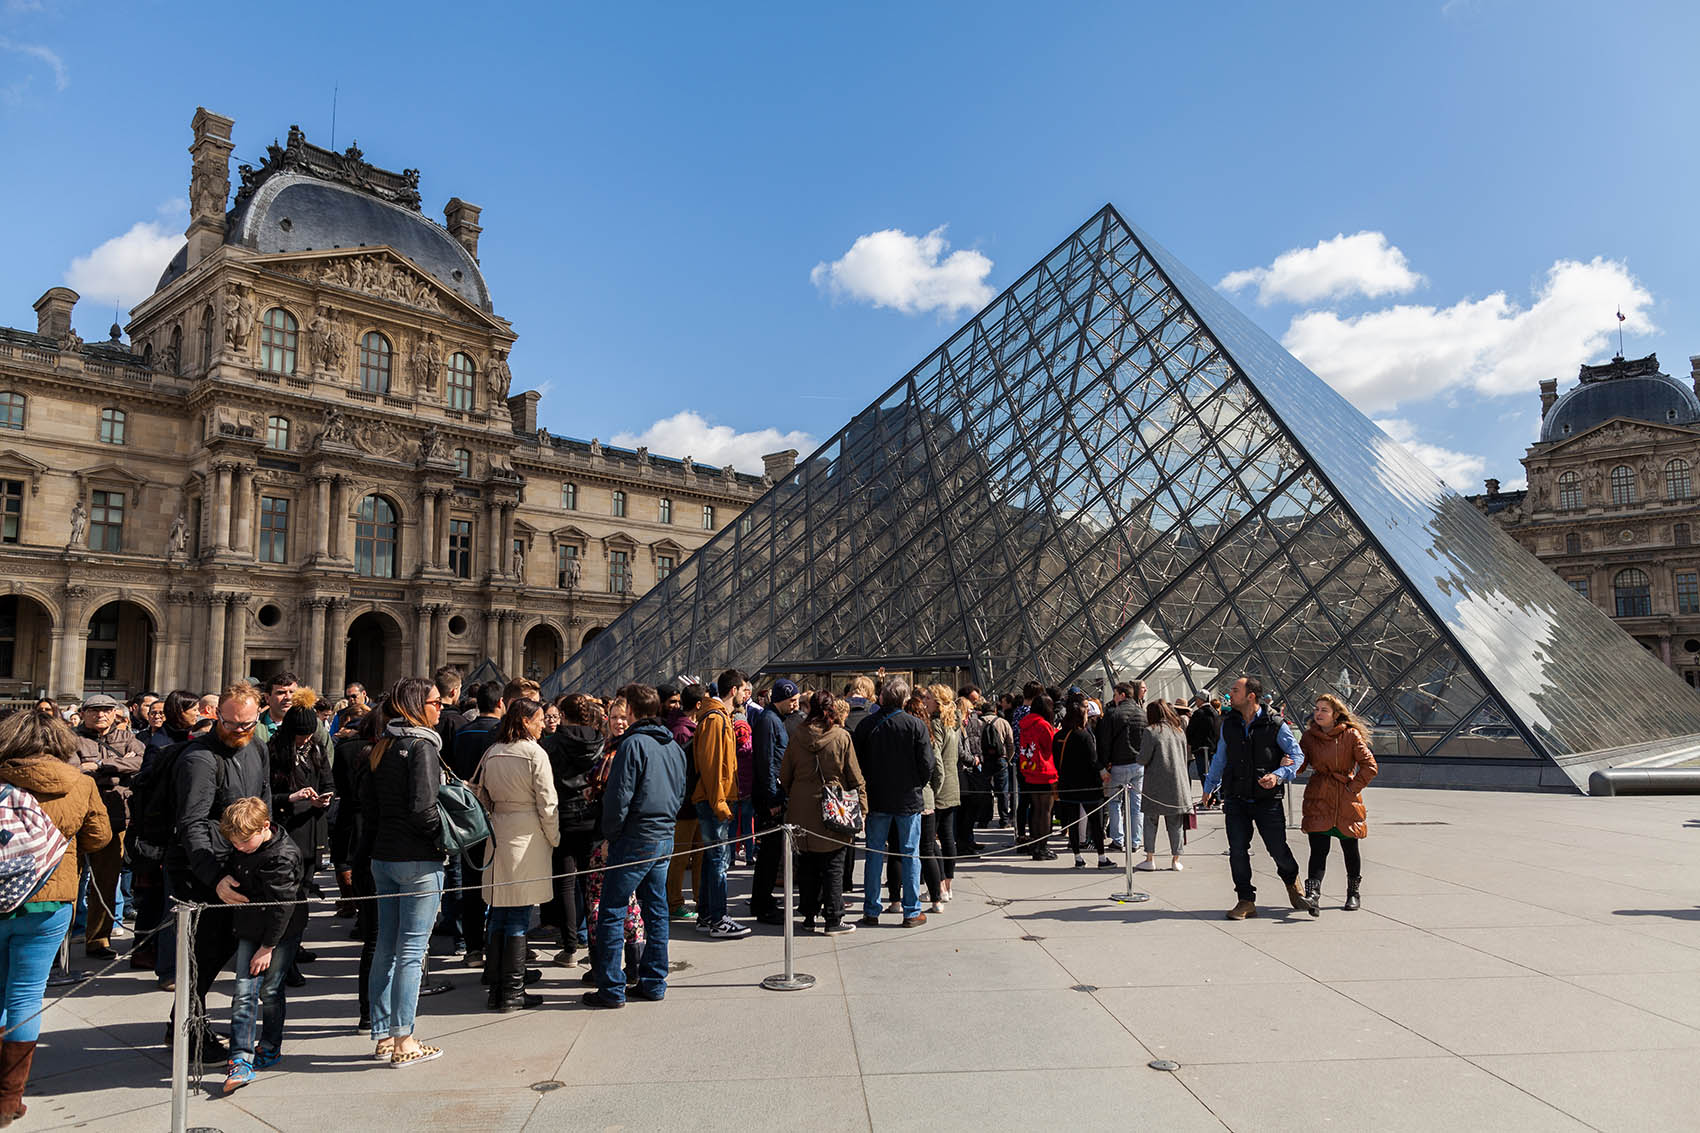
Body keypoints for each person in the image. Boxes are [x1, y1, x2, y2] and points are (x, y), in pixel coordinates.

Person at [0, 710, 110, 1124]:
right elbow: (98, 838)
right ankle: (8, 1098)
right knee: (25, 996)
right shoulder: (79, 783)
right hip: (50, 898)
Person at [164, 684, 272, 1059]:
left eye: (248, 724)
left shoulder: (258, 745)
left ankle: (186, 1021)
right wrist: (215, 877)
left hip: (241, 863)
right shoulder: (199, 759)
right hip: (202, 870)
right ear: (216, 717)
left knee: (222, 948)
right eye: (231, 724)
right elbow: (191, 823)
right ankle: (188, 1029)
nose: (240, 731)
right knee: (202, 954)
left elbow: (264, 799)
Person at [361, 677, 447, 1067]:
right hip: (417, 858)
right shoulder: (422, 746)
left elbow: (371, 807)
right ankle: (405, 1040)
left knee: (387, 948)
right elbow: (424, 808)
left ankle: (382, 1034)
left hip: (384, 857)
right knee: (412, 950)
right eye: (435, 702)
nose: (440, 707)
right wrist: (443, 840)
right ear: (417, 706)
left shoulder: (383, 744)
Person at [583, 684, 685, 1008]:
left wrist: (611, 834)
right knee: (656, 909)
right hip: (664, 834)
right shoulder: (673, 746)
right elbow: (680, 790)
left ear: (632, 711)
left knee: (611, 910)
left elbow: (618, 797)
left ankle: (611, 988)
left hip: (636, 836)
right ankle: (654, 981)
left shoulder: (633, 745)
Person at [216, 797, 307, 1094]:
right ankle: (240, 1056)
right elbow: (233, 857)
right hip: (249, 925)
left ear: (264, 827)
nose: (238, 846)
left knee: (269, 990)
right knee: (244, 991)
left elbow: (283, 907)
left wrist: (267, 948)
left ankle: (269, 1044)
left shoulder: (283, 856)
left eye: (244, 841)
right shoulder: (242, 843)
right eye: (234, 842)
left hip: (280, 932)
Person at [1202, 676, 1308, 920]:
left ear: (1251, 696)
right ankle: (1245, 899)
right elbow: (1220, 758)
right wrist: (1209, 787)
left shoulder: (1275, 724)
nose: (1230, 694)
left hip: (1266, 799)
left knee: (1278, 849)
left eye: (1235, 690)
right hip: (1236, 797)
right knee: (1237, 850)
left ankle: (1292, 881)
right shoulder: (1229, 724)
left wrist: (1279, 775)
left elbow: (1296, 754)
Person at [476, 697, 558, 1011]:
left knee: (498, 912)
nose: (542, 725)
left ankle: (496, 987)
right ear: (525, 721)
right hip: (526, 835)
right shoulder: (534, 753)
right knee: (519, 916)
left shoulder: (493, 751)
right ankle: (513, 991)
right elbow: (547, 803)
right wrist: (553, 836)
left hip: (498, 833)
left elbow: (482, 795)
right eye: (539, 720)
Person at [781, 695, 865, 933]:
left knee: (807, 863)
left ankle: (808, 914)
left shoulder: (797, 735)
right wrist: (863, 809)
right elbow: (854, 777)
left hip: (801, 807)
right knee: (833, 864)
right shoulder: (841, 736)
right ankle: (833, 918)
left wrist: (797, 792)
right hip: (834, 806)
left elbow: (785, 774)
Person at [856, 678, 934, 927]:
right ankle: (911, 911)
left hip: (877, 798)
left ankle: (871, 909)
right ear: (904, 699)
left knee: (874, 854)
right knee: (911, 853)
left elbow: (857, 763)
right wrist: (916, 784)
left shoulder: (867, 725)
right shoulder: (915, 725)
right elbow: (927, 764)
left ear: (881, 699)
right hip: (908, 798)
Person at [71, 693, 143, 961]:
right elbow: (72, 769)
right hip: (80, 816)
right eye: (94, 710)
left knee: (107, 880)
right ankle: (61, 939)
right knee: (72, 882)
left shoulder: (128, 739)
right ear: (84, 713)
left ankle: (99, 939)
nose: (100, 715)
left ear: (115, 714)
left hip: (114, 816)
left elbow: (140, 762)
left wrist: (100, 765)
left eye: (106, 710)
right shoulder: (71, 739)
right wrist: (119, 769)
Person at [1299, 694, 1378, 915]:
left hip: (1345, 798)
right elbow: (1300, 763)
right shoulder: (1308, 737)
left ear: (1335, 715)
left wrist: (1352, 788)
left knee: (1350, 849)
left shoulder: (1350, 735)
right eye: (1316, 709)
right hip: (1319, 796)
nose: (1318, 713)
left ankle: (1353, 893)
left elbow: (1370, 766)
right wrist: (1287, 763)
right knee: (1318, 849)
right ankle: (1313, 895)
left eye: (1324, 710)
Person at [540, 693, 604, 965]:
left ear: (563, 716)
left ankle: (569, 947)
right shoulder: (601, 741)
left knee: (565, 882)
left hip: (563, 816)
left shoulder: (551, 744)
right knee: (591, 884)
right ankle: (595, 946)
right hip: (593, 816)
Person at [690, 672, 750, 939]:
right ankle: (718, 918)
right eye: (744, 690)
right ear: (734, 690)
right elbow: (713, 766)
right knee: (718, 862)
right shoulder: (716, 720)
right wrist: (720, 803)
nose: (745, 695)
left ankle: (706, 915)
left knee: (711, 860)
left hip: (715, 798)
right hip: (716, 800)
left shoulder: (717, 717)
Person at [448, 681, 503, 968]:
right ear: (500, 703)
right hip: (495, 814)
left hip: (467, 814)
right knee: (495, 882)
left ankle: (472, 947)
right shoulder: (500, 734)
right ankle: (495, 942)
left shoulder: (462, 732)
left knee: (470, 883)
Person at [748, 678, 798, 926]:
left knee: (772, 852)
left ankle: (763, 898)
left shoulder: (774, 720)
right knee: (768, 854)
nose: (795, 706)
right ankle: (761, 903)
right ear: (782, 699)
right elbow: (766, 763)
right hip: (771, 797)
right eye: (793, 701)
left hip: (774, 793)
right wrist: (772, 798)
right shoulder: (769, 721)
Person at [661, 686, 704, 921]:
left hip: (693, 800)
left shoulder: (685, 728)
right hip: (685, 803)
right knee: (680, 856)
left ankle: (699, 897)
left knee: (698, 853)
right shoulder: (681, 731)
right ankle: (674, 901)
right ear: (698, 705)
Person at [1135, 700, 1192, 871]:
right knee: (1175, 823)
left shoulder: (1150, 731)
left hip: (1155, 784)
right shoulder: (1179, 731)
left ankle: (1150, 858)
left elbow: (1143, 758)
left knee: (1151, 821)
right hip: (1177, 783)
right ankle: (1176, 860)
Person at [1055, 697, 1111, 869]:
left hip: (1066, 784)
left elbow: (1056, 760)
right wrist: (1103, 773)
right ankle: (1101, 858)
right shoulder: (1084, 736)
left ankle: (1078, 857)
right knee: (1096, 822)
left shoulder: (1059, 736)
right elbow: (1093, 760)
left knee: (1072, 821)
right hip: (1087, 785)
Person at [1096, 682, 1146, 853]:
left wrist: (1103, 765)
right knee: (1136, 805)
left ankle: (1118, 840)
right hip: (1138, 764)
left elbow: (1105, 742)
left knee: (1115, 803)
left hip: (1118, 764)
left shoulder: (1113, 714)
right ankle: (1135, 840)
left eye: (1116, 694)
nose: (1114, 698)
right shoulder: (1141, 713)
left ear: (1123, 695)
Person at [925, 685, 961, 903]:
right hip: (953, 782)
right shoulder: (953, 723)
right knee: (948, 837)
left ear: (937, 701)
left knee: (931, 840)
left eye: (928, 697)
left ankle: (938, 885)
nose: (925, 701)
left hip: (940, 785)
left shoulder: (936, 724)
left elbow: (935, 759)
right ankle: (947, 884)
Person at [1016, 695, 1058, 860]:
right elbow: (1050, 747)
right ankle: (1043, 847)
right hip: (1045, 771)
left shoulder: (1025, 723)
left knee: (1035, 809)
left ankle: (1035, 845)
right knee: (1046, 811)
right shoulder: (1044, 725)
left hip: (1030, 770)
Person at [1186, 694, 1220, 786]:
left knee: (1203, 773)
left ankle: (1207, 796)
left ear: (1202, 699)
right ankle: (1215, 796)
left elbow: (1190, 730)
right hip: (1214, 749)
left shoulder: (1198, 713)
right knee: (1214, 773)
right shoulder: (1215, 713)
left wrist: (1190, 742)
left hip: (1200, 748)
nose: (1196, 701)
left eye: (1197, 699)